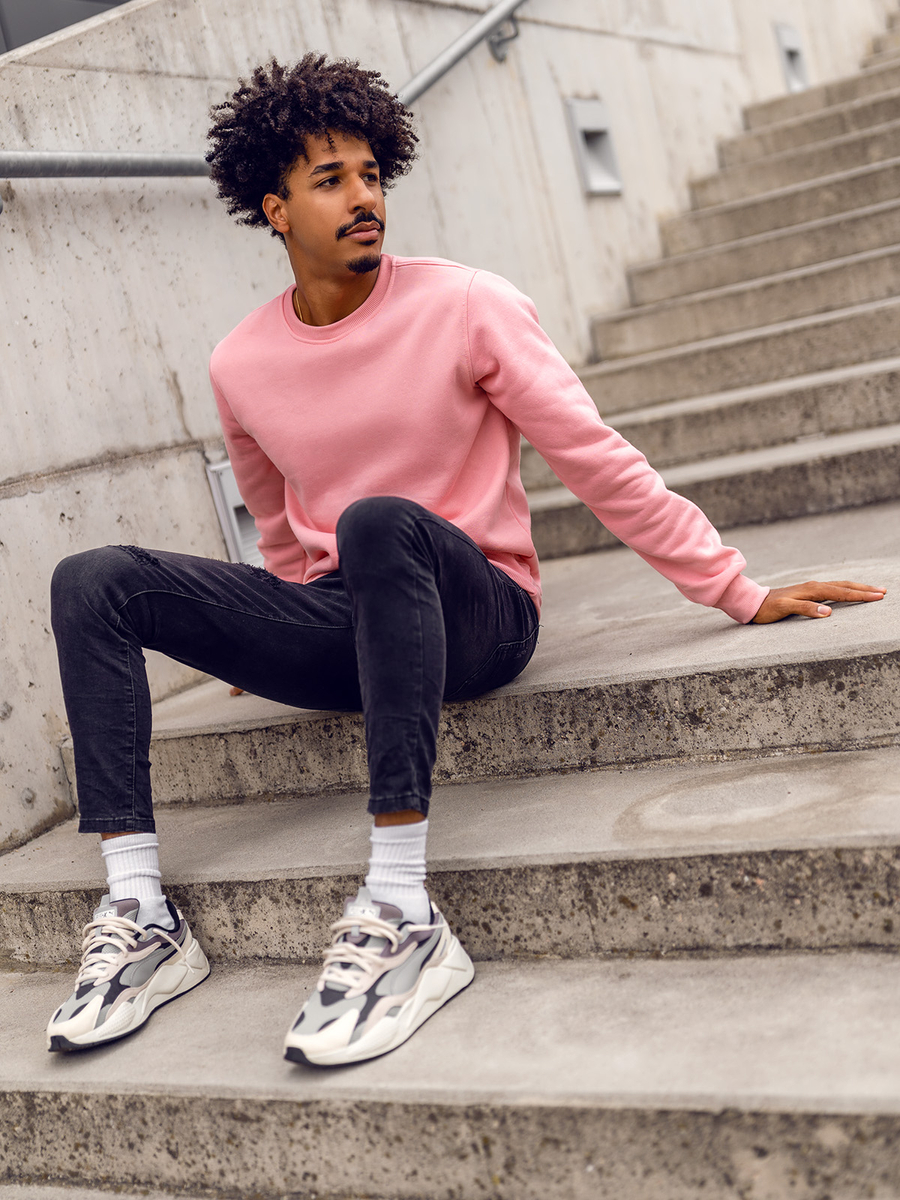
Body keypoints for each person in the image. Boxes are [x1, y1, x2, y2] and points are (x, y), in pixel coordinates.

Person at [46, 54, 885, 1064]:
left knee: (376, 522)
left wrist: (733, 587)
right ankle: (140, 912)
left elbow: (594, 456)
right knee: (91, 580)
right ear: (274, 208)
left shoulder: (468, 304)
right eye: (331, 180)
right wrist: (260, 636)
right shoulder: (241, 362)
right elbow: (277, 528)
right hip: (350, 620)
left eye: (372, 175)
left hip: (482, 615)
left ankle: (402, 905)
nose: (364, 198)